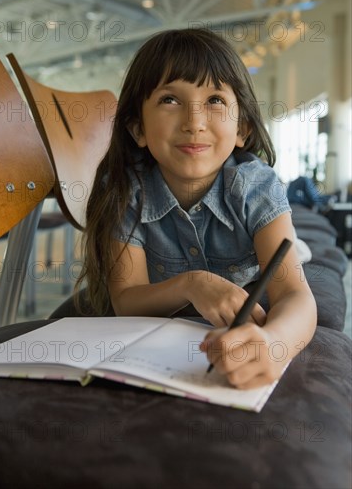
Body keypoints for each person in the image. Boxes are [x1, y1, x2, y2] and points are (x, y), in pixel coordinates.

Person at [77, 28, 317, 389]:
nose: (194, 122)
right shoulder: (125, 190)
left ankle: (292, 241)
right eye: (170, 100)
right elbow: (126, 299)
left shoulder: (256, 185)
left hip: (254, 262)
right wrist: (194, 284)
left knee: (288, 252)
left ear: (243, 128)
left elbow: (296, 297)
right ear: (137, 128)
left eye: (215, 100)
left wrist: (274, 345)